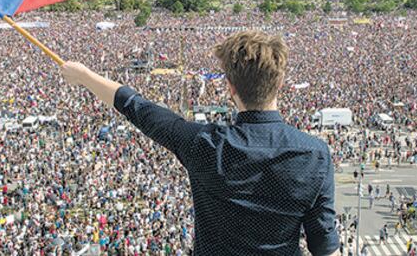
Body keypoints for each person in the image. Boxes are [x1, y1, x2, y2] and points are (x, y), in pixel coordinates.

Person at [61, 30, 340, 256]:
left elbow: (139, 108)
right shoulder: (314, 155)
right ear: (279, 83)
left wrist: (85, 76)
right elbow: (325, 247)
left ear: (230, 87)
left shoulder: (205, 145)